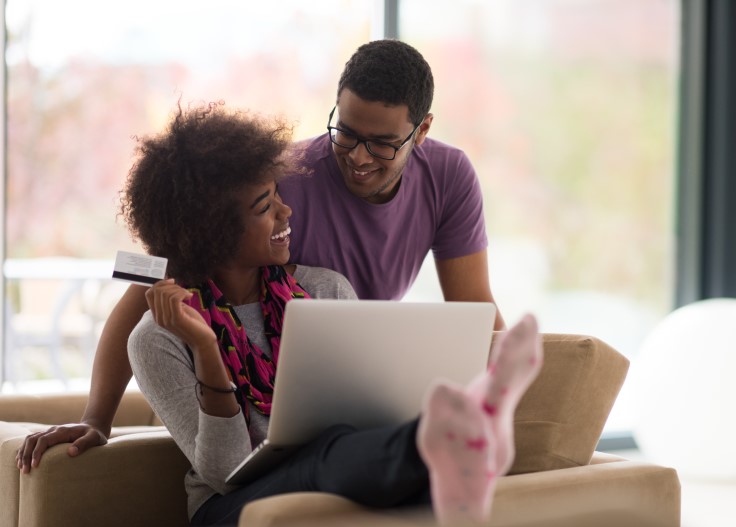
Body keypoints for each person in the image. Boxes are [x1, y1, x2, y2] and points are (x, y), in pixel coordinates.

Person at [16, 38, 507, 470]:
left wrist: (515, 397)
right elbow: (151, 280)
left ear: (420, 133)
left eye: (381, 144)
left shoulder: (448, 177)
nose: (358, 156)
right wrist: (96, 420)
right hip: (263, 386)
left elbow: (474, 307)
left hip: (350, 363)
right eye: (348, 132)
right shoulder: (282, 178)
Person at [89, 102, 541, 526]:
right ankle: (443, 441)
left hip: (336, 470)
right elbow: (225, 473)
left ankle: (452, 446)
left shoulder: (325, 289)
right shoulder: (157, 340)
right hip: (228, 509)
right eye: (266, 207)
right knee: (329, 453)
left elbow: (368, 411)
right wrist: (207, 347)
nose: (287, 211)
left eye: (278, 195)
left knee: (350, 453)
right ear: (214, 233)